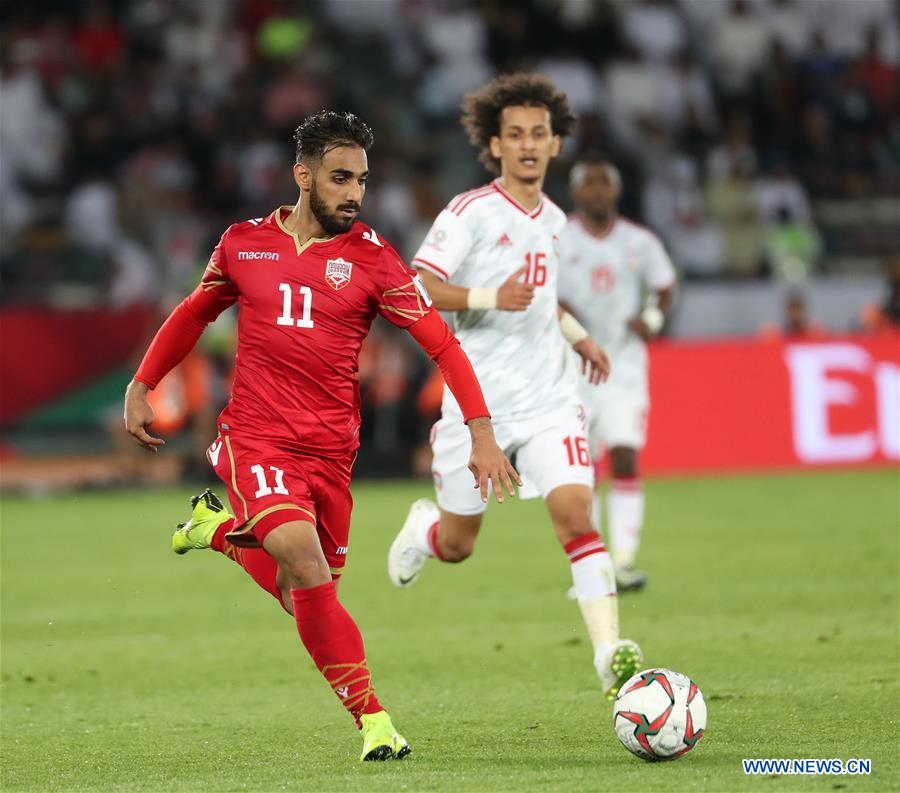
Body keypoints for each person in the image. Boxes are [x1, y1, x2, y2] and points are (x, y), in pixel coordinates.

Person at [123, 111, 519, 762]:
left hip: (332, 453)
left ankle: (215, 530)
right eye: (340, 178)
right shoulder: (243, 244)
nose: (354, 192)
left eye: (361, 179)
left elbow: (443, 346)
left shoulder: (374, 260)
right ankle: (375, 720)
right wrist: (144, 382)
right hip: (256, 438)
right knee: (305, 564)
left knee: (299, 590)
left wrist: (481, 432)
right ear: (302, 175)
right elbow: (196, 311)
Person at [386, 74, 644, 700]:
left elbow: (541, 300)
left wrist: (579, 335)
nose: (528, 145)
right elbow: (415, 286)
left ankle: (611, 652)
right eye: (515, 135)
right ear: (495, 146)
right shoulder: (470, 213)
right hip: (479, 408)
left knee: (575, 515)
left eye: (539, 134)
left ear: (556, 145)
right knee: (458, 545)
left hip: (552, 400)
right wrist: (485, 297)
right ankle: (422, 532)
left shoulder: (556, 220)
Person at [557, 154, 677, 592]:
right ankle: (591, 566)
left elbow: (665, 288)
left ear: (616, 190)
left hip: (625, 365)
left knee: (625, 453)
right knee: (581, 467)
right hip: (574, 368)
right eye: (589, 183)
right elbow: (544, 295)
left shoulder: (639, 241)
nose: (597, 191)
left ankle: (624, 560)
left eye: (603, 183)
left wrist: (653, 319)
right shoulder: (559, 239)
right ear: (576, 192)